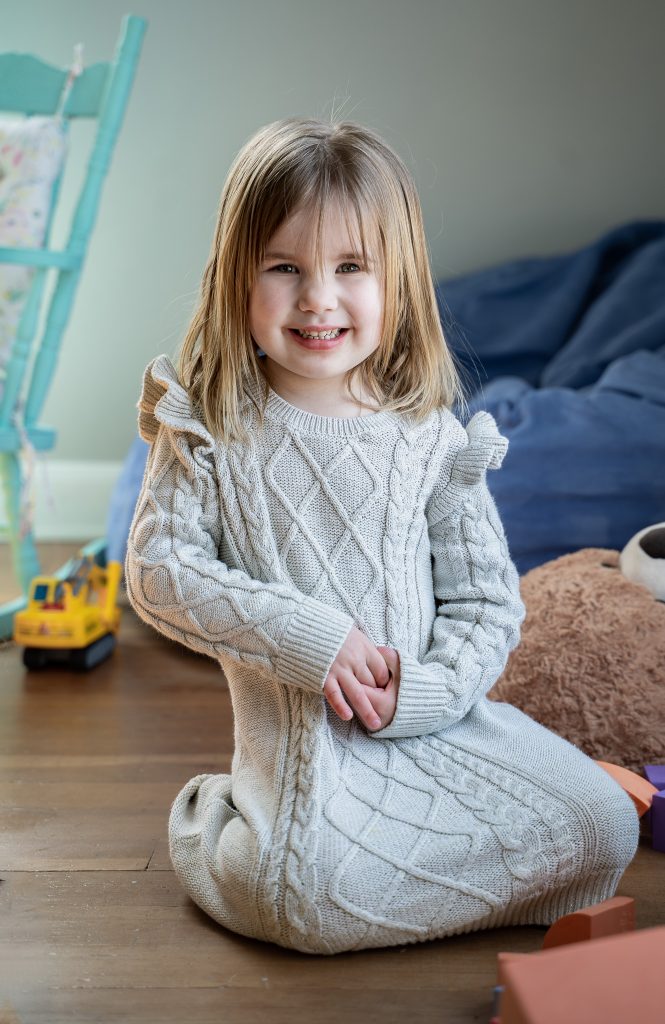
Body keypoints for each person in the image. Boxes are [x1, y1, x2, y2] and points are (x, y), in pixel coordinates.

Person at [125, 117, 640, 956]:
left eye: (350, 268)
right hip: (309, 759)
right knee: (296, 899)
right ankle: (217, 820)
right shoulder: (211, 420)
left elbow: (485, 604)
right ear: (234, 279)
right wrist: (311, 638)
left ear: (396, 282)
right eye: (284, 267)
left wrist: (424, 696)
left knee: (601, 827)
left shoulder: (429, 433)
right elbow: (159, 572)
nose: (318, 298)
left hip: (437, 726)